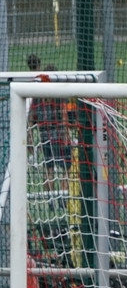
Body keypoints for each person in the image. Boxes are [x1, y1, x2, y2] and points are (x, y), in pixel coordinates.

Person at [28, 66, 72, 201]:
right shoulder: (58, 96)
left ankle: (51, 200)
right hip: (58, 136)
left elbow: (31, 119)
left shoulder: (37, 98)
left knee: (49, 169)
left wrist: (30, 137)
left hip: (45, 137)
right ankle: (63, 199)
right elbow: (64, 117)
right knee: (66, 169)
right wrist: (66, 136)